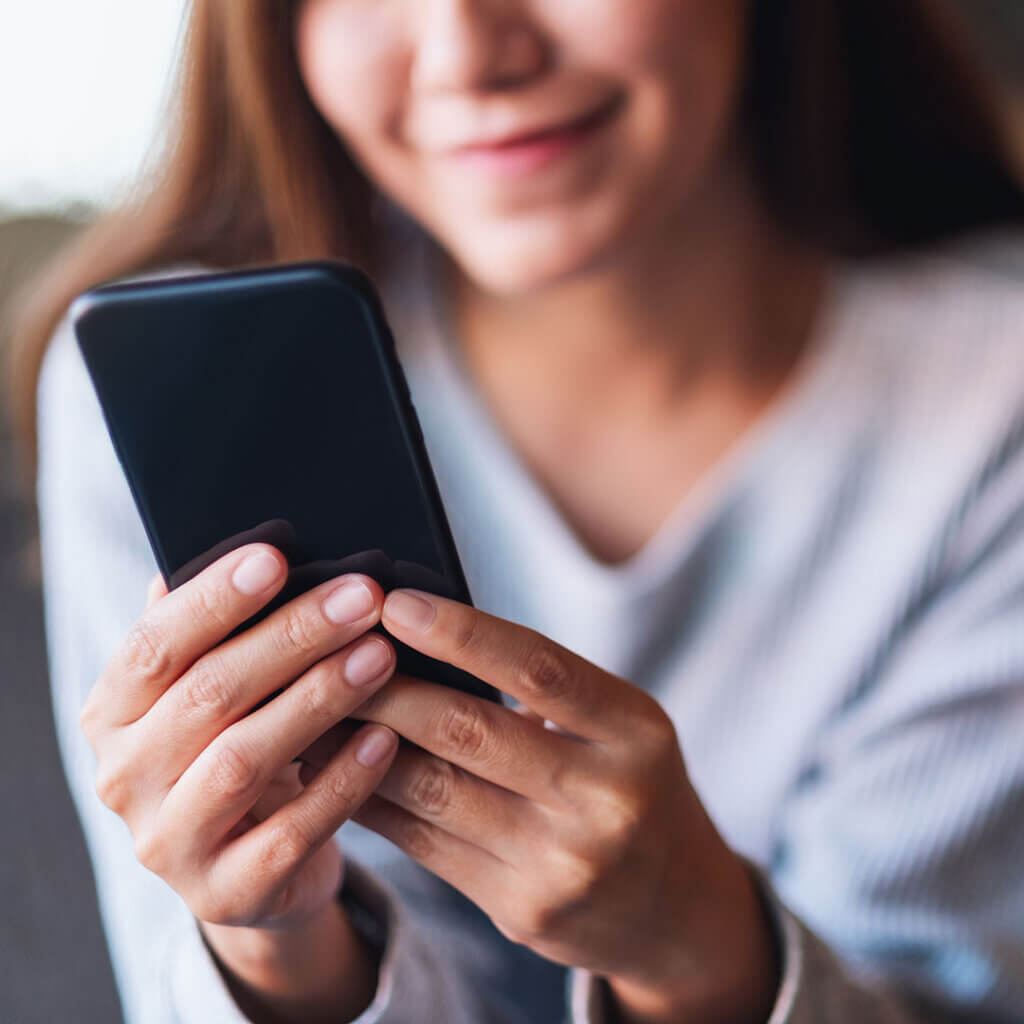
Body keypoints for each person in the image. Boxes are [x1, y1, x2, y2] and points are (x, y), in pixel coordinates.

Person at [10, 1, 1024, 1021]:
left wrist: (700, 952)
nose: (470, 57)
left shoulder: (992, 417)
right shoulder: (156, 402)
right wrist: (274, 948)